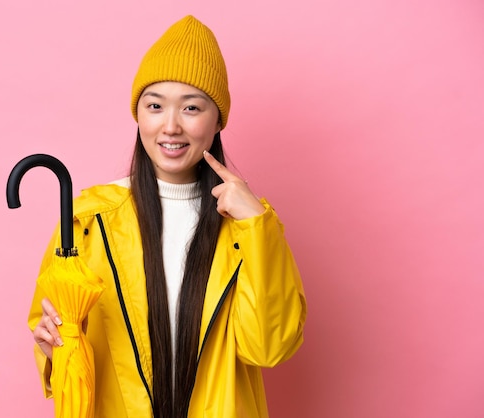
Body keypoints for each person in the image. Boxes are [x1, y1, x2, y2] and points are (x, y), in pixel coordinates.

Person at [28, 15, 307, 417]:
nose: (170, 126)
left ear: (217, 121)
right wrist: (51, 351)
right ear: (138, 114)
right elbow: (60, 356)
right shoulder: (88, 221)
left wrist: (256, 227)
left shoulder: (249, 225)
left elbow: (268, 347)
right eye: (155, 105)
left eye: (191, 107)